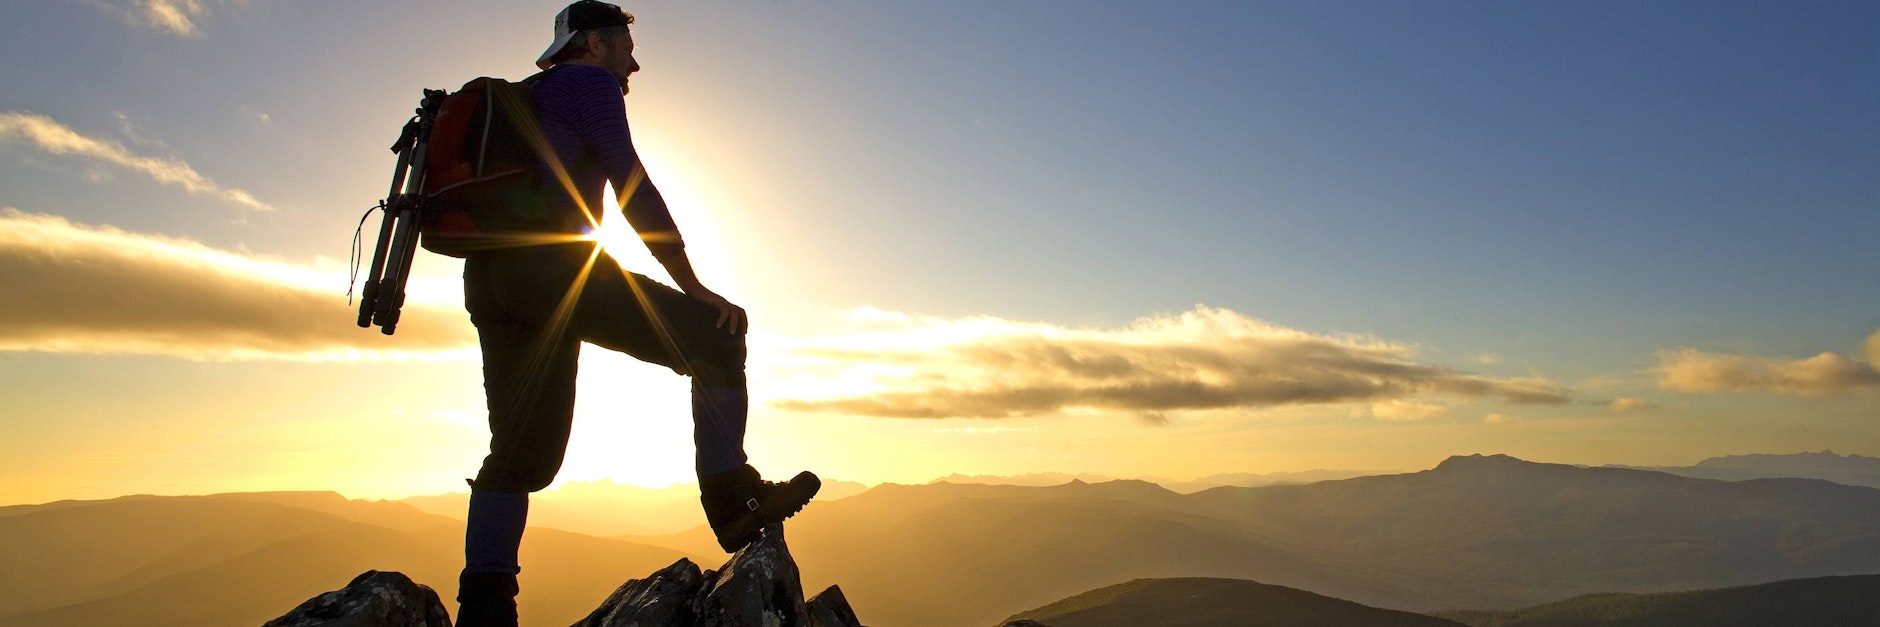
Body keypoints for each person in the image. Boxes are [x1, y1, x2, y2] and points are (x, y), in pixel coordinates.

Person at [453, 2, 820, 625]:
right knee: (717, 337)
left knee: (520, 452)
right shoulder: (589, 84)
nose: (635, 61)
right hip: (556, 272)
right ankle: (733, 499)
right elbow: (631, 185)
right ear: (594, 43)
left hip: (491, 280)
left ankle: (484, 607)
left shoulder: (531, 96)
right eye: (626, 46)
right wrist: (692, 284)